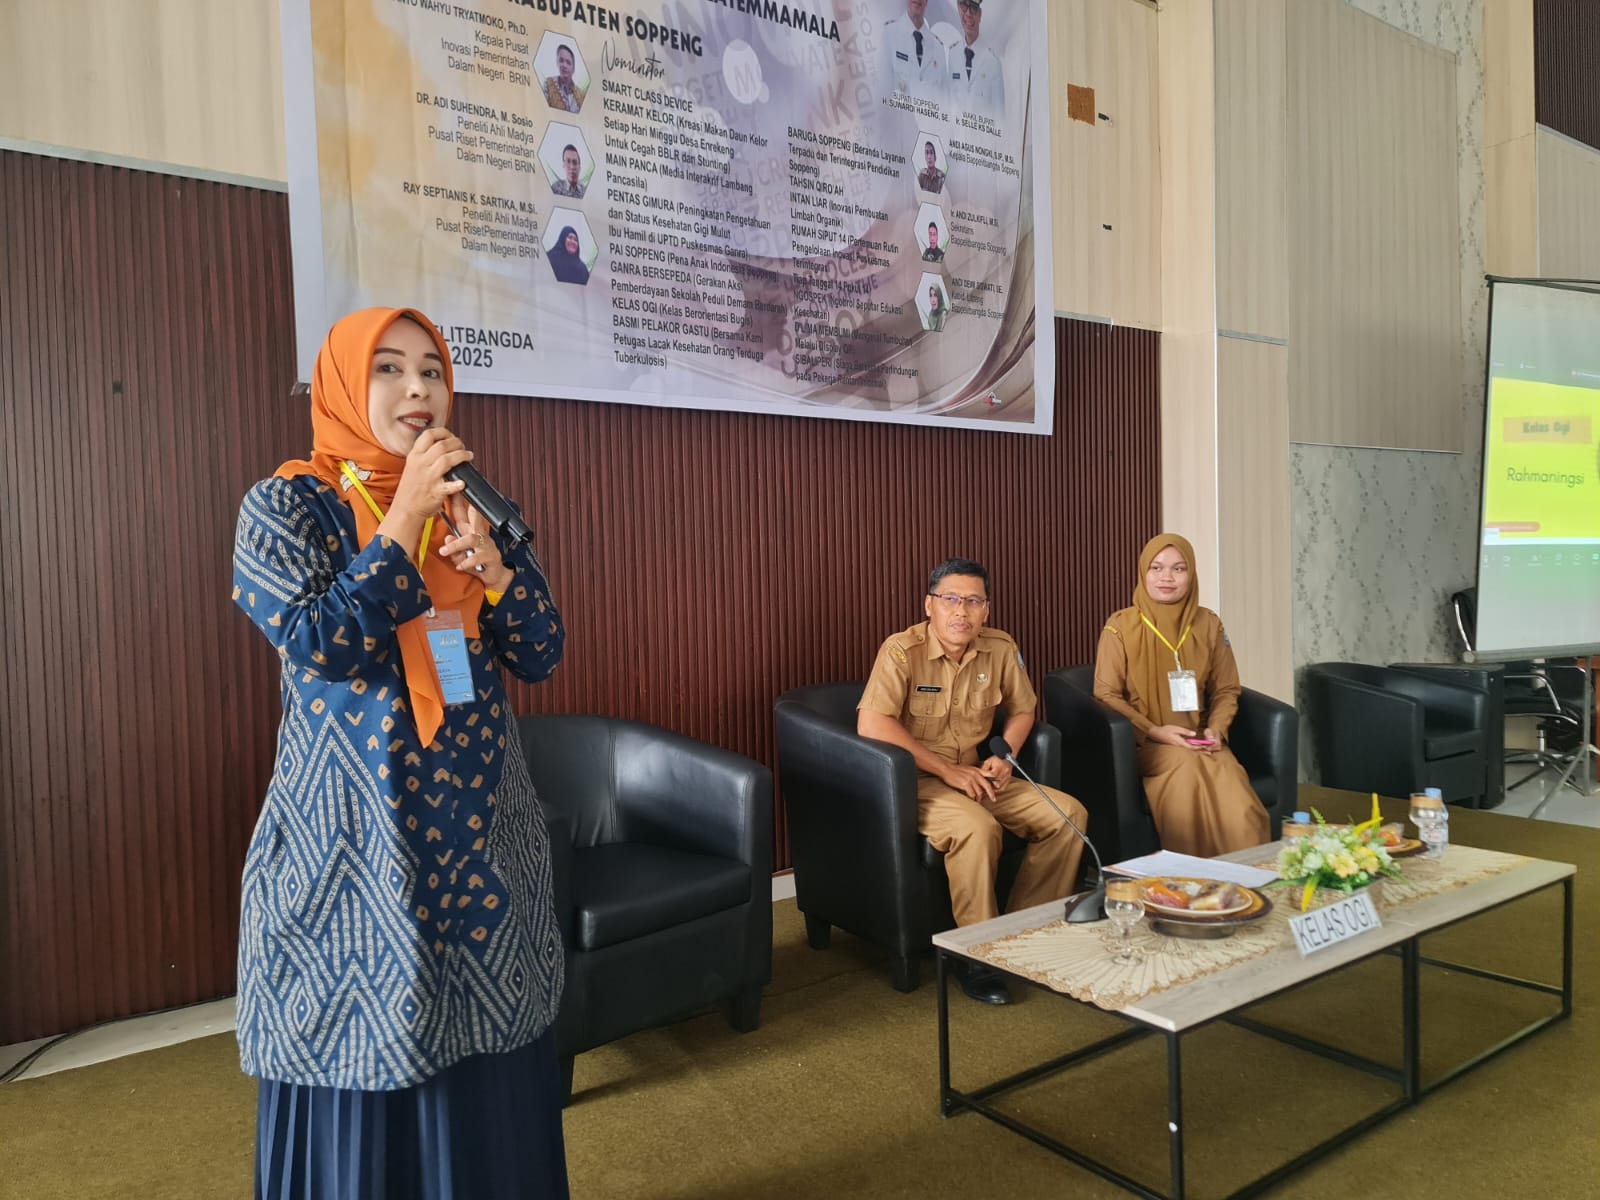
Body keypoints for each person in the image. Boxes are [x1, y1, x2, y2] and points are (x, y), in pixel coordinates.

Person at [232, 308, 570, 1198]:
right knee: (368, 1042)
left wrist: (497, 574)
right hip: (355, 850)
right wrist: (402, 520)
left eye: (432, 370)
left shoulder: (474, 503)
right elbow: (323, 643)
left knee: (491, 1043)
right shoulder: (285, 506)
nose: (418, 389)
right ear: (344, 386)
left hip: (481, 839)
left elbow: (542, 652)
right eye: (388, 369)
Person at [859, 558, 1090, 1005]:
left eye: (973, 601)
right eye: (950, 599)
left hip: (981, 775)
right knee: (976, 828)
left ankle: (1022, 935)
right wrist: (945, 770)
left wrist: (1006, 756)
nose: (961, 611)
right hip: (919, 782)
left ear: (987, 609)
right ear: (929, 605)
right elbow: (872, 723)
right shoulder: (901, 651)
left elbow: (1024, 709)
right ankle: (978, 956)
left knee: (1068, 815)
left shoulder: (1000, 647)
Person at [1092, 533, 1271, 858]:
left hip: (1201, 739)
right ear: (1143, 572)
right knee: (1186, 768)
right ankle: (1196, 878)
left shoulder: (1209, 624)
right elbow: (1106, 694)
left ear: (1192, 574)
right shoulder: (1120, 626)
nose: (1167, 577)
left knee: (1234, 790)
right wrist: (1154, 731)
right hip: (1148, 745)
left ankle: (1253, 873)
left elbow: (1226, 688)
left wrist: (1216, 729)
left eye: (1179, 568)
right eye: (1157, 568)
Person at [880, 0, 948, 106]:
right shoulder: (889, 33)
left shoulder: (939, 47)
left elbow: (944, 102)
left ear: (926, 2)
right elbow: (882, 89)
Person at [951, 0, 1005, 118]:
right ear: (959, 9)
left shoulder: (993, 64)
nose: (968, 14)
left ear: (980, 15)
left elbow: (999, 119)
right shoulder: (952, 55)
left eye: (973, 8)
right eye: (964, 6)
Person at [544, 43, 585, 112]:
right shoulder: (548, 84)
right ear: (557, 63)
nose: (564, 65)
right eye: (561, 60)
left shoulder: (581, 95)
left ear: (573, 69)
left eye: (568, 62)